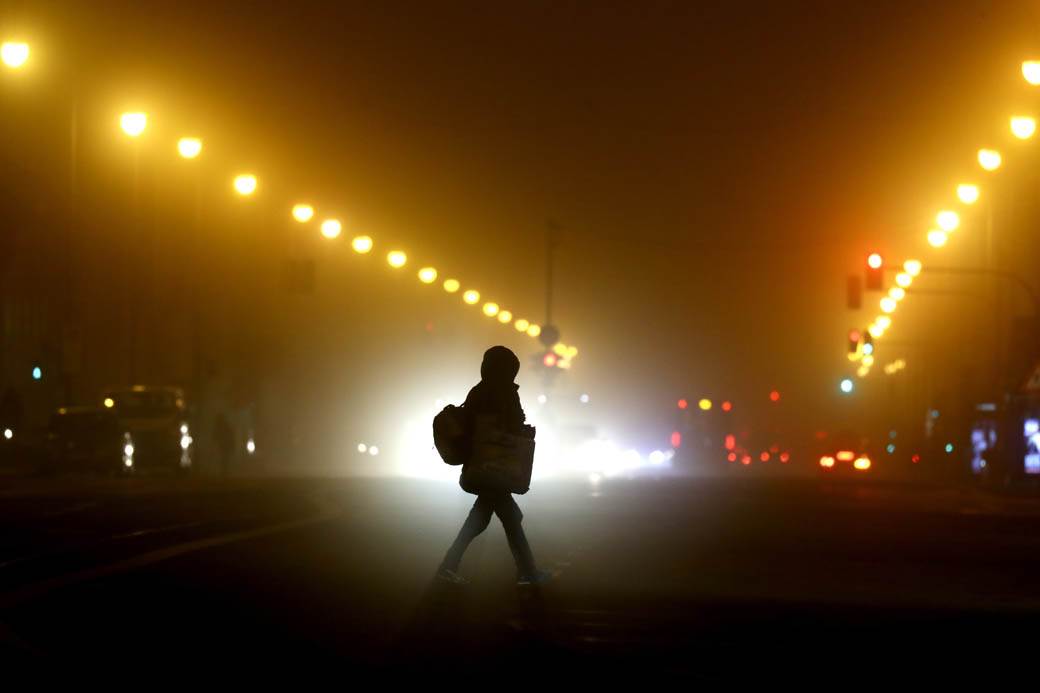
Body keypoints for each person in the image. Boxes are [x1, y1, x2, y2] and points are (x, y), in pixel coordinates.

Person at [437, 346, 551, 586]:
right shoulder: (503, 393)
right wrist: (519, 431)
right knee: (509, 519)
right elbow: (500, 428)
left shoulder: (478, 391)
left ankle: (449, 566)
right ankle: (527, 573)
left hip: (481, 466)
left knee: (486, 519)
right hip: (494, 467)